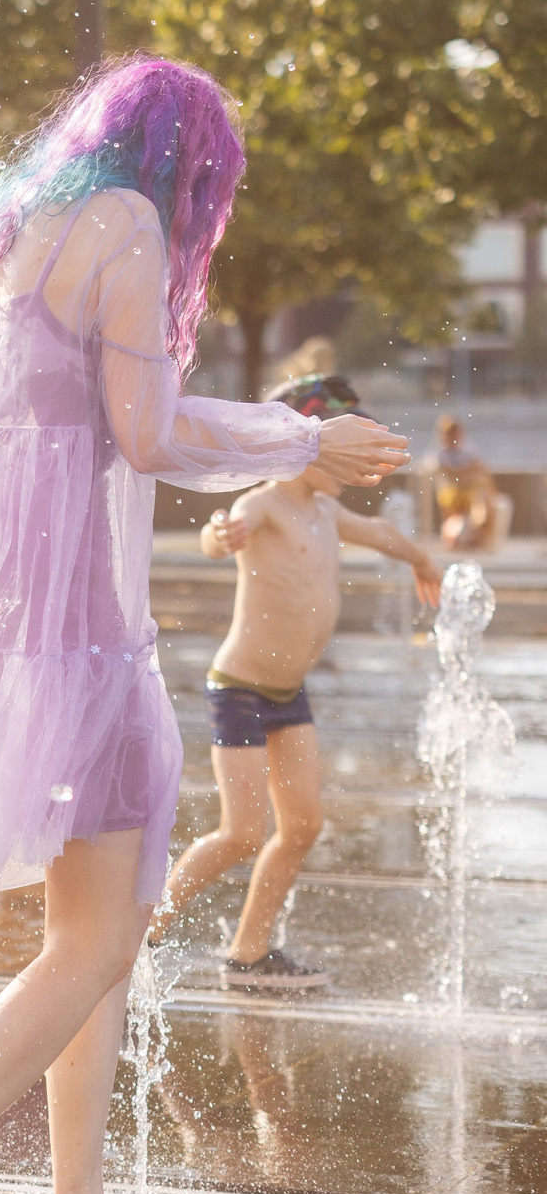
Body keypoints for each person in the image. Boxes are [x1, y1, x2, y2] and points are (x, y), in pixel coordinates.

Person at [0, 56, 407, 1194]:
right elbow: (146, 431)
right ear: (186, 169)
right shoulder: (121, 225)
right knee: (96, 936)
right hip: (73, 634)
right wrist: (301, 436)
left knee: (99, 928)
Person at [147, 374, 442, 990]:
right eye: (340, 451)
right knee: (241, 831)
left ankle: (249, 952)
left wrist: (420, 560)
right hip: (241, 688)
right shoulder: (267, 503)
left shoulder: (325, 511)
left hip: (289, 693)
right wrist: (216, 534)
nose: (349, 468)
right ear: (303, 443)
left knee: (304, 825)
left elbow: (383, 534)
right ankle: (141, 927)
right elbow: (218, 533)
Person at [430, 416, 498, 552]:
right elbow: (449, 474)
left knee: (482, 500)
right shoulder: (440, 453)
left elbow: (480, 469)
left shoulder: (468, 449)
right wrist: (465, 472)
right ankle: (468, 536)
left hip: (471, 493)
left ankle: (480, 535)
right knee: (465, 512)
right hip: (453, 494)